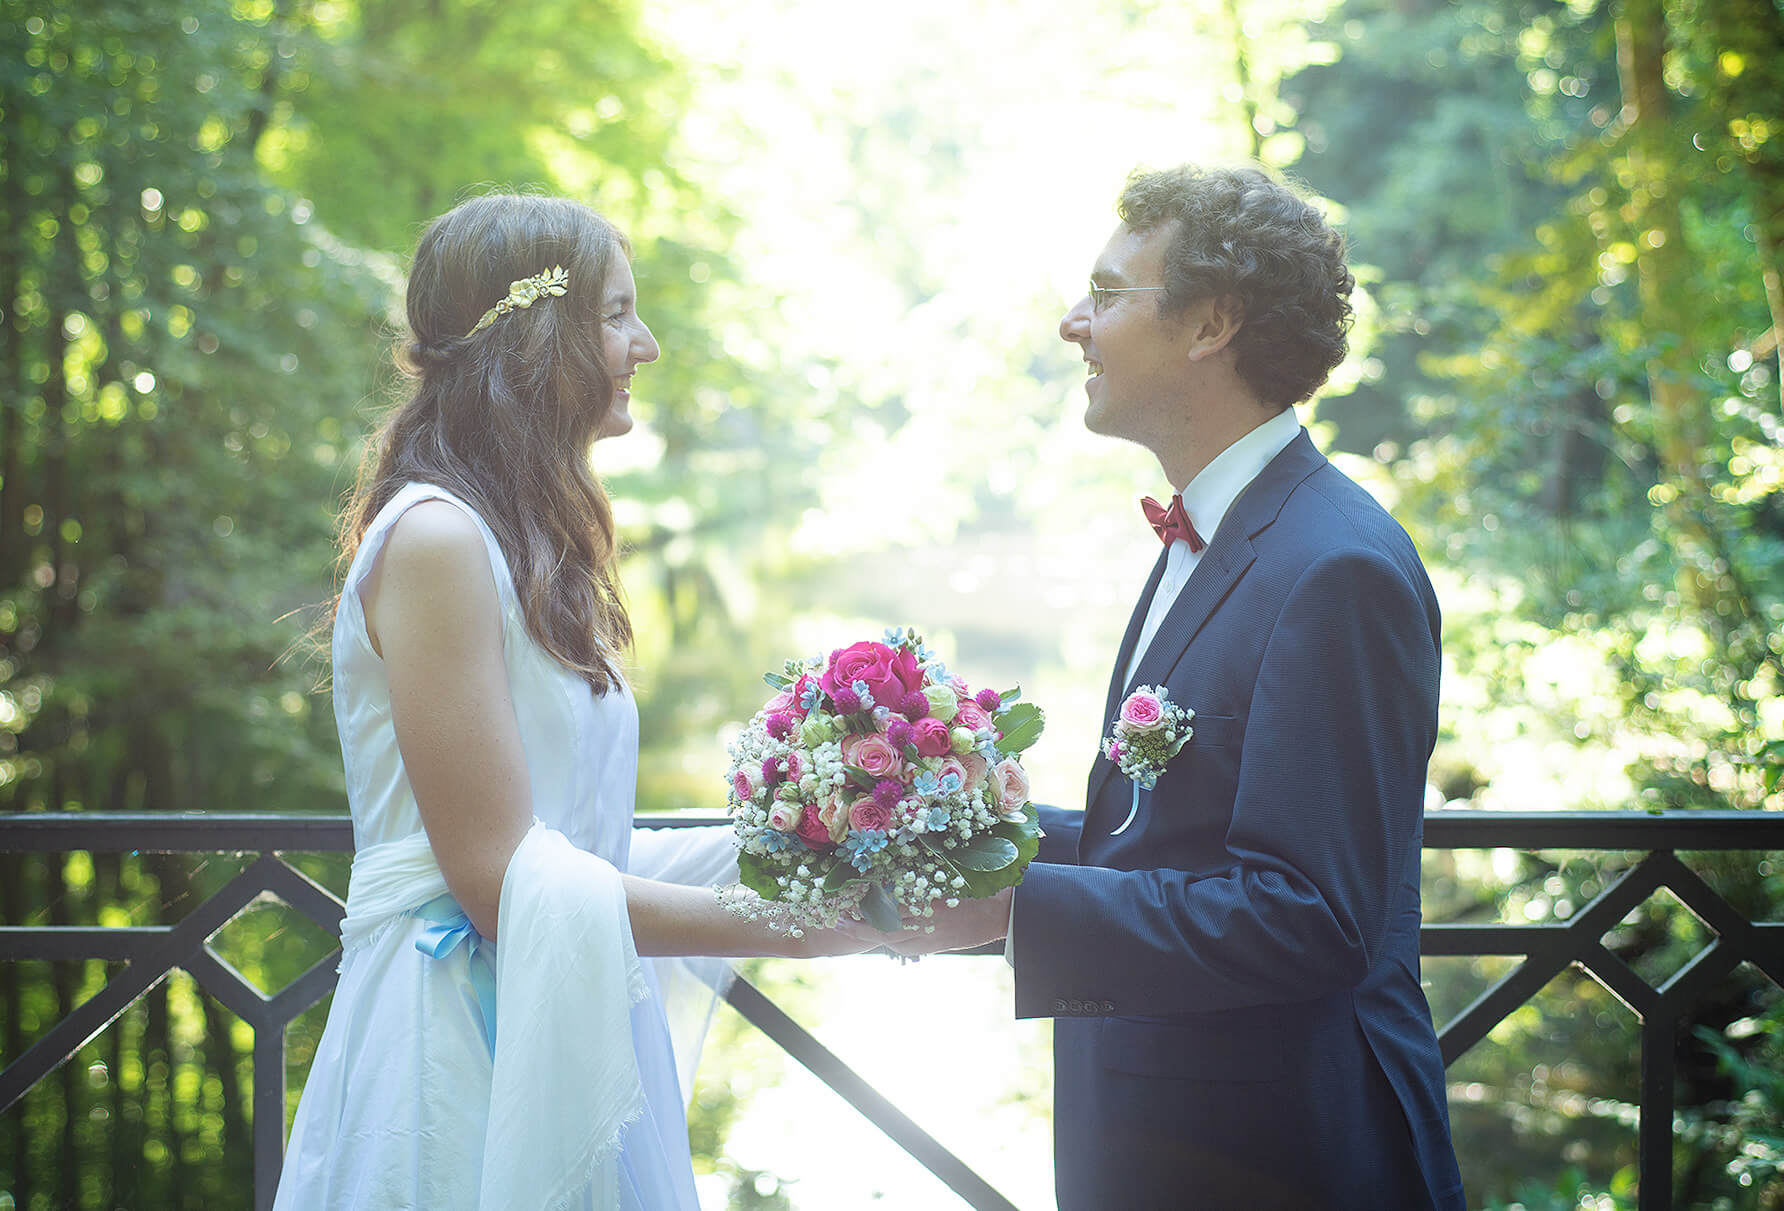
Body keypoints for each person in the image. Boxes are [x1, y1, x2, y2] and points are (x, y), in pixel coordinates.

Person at [272, 193, 866, 1211]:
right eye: (616, 313)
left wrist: (815, 841)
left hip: (572, 1012)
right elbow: (499, 883)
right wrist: (798, 927)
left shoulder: (518, 540)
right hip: (457, 1052)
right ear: (536, 335)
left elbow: (576, 841)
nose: (647, 343)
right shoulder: (436, 540)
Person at [900, 166, 1467, 1210]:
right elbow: (1184, 836)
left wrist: (1013, 908)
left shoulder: (1335, 567)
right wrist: (993, 830)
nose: (1073, 322)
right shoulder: (1217, 531)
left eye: (1107, 293)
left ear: (1210, 323)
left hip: (1281, 1153)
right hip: (1170, 1136)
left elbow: (1308, 914)